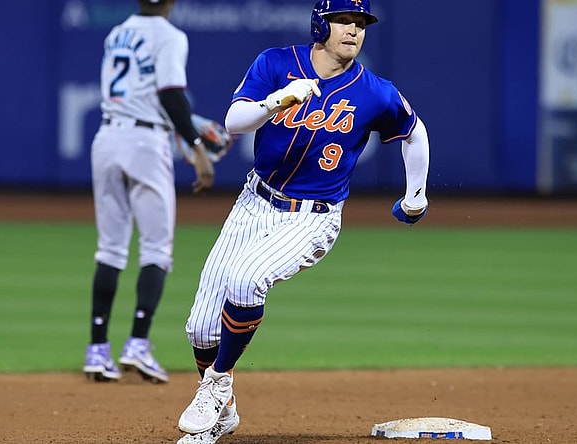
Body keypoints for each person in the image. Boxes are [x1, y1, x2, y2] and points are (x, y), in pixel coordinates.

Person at [175, 0, 430, 442]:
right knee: (199, 327)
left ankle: (215, 384)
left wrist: (416, 194)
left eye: (361, 23)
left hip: (313, 218)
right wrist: (276, 100)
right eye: (343, 21)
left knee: (246, 278)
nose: (353, 30)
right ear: (320, 23)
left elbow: (414, 130)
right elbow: (235, 122)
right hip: (254, 203)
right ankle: (225, 406)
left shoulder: (374, 91)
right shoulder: (276, 64)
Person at [82, 0, 215, 384]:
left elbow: (146, 93)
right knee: (156, 249)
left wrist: (184, 125)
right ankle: (138, 343)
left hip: (107, 136)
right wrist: (197, 146)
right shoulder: (170, 36)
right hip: (145, 143)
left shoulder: (116, 32)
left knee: (110, 248)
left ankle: (97, 349)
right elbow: (170, 94)